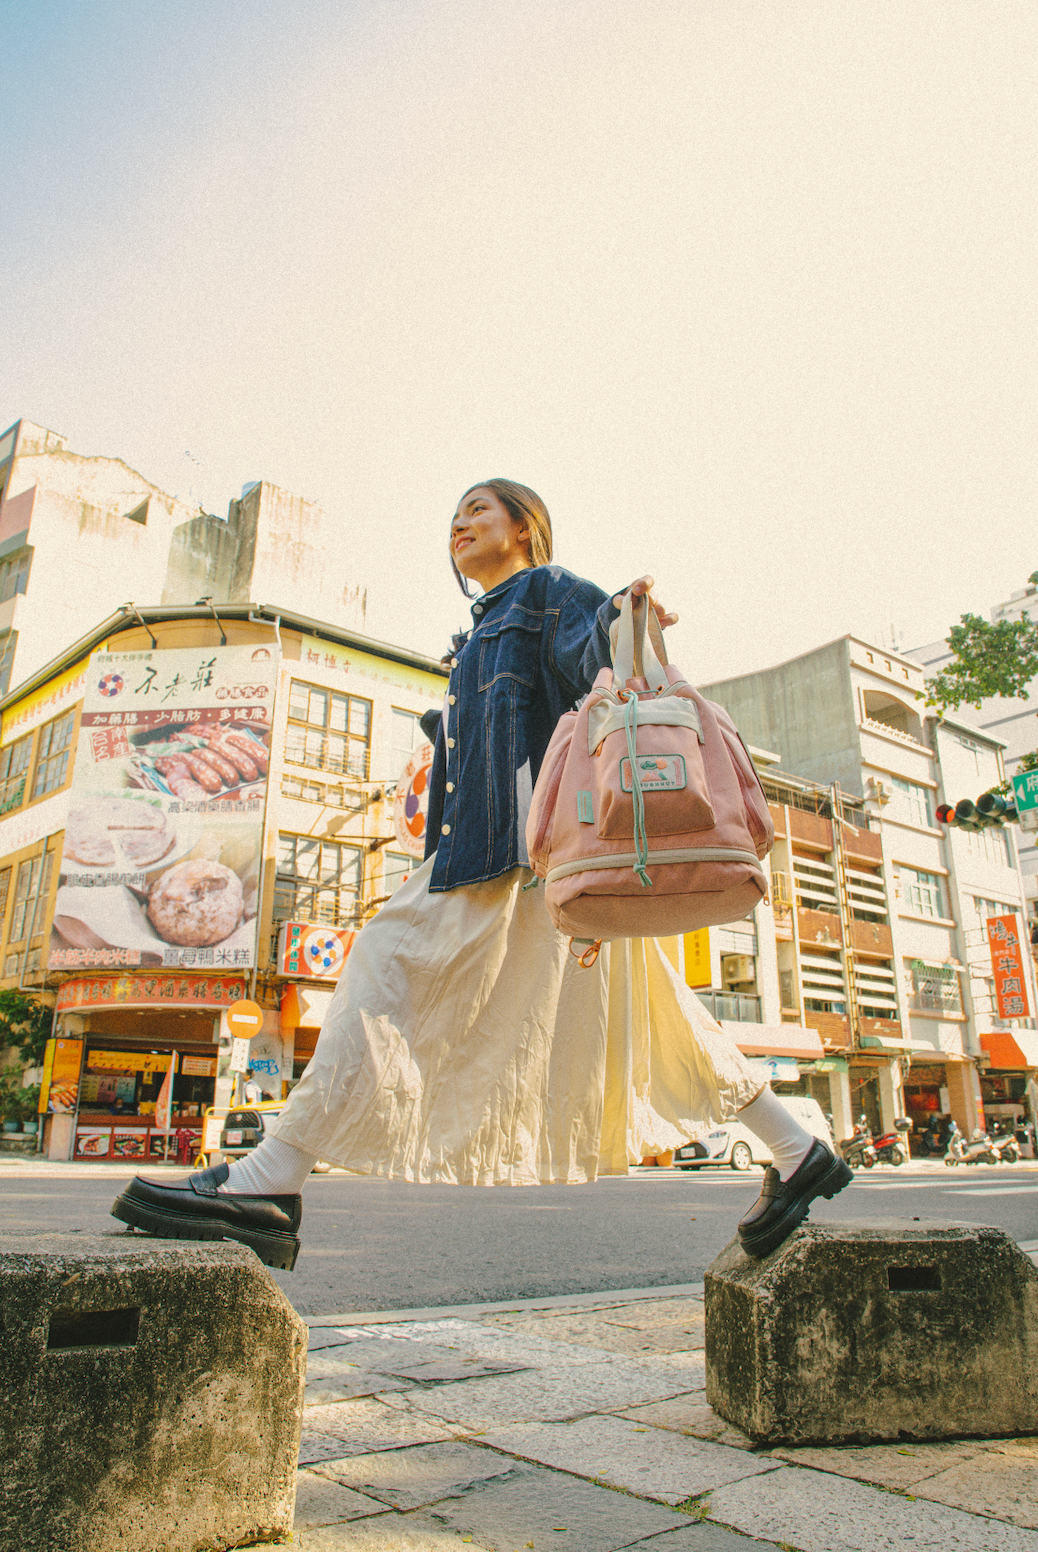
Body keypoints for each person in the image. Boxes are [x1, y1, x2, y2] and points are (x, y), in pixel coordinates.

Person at [113, 479, 852, 1267]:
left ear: (525, 525)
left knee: (381, 960)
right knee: (661, 1019)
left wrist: (626, 619)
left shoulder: (548, 592)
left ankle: (270, 1179)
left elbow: (594, 658)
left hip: (513, 855)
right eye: (453, 518)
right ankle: (796, 1150)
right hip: (527, 864)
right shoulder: (479, 634)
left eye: (477, 510)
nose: (459, 526)